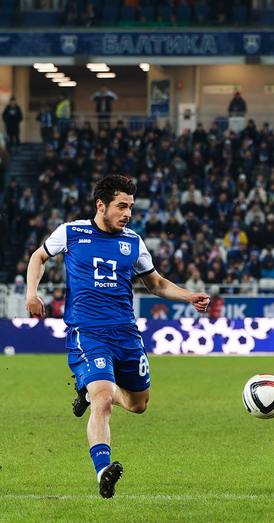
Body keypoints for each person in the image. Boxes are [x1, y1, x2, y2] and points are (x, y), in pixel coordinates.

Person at [24, 174, 210, 499]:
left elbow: (156, 284)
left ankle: (91, 391)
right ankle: (102, 473)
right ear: (101, 205)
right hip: (88, 333)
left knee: (139, 405)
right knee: (104, 400)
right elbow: (38, 256)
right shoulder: (71, 232)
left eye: (131, 207)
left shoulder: (133, 242)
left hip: (126, 334)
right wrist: (31, 293)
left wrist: (189, 295)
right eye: (121, 206)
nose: (127, 213)